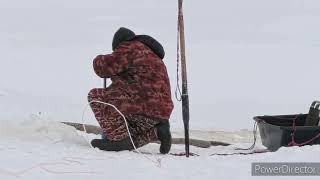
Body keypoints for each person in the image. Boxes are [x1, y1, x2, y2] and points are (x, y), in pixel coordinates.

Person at [88, 27, 174, 154]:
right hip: (159, 113)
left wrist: (100, 58)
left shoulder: (130, 47)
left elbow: (103, 67)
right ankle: (158, 132)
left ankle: (118, 140)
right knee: (127, 129)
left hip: (142, 107)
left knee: (95, 96)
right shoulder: (152, 55)